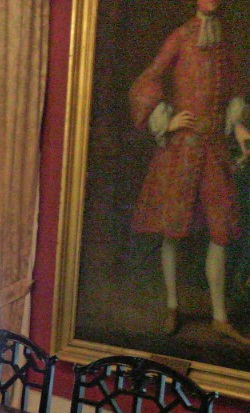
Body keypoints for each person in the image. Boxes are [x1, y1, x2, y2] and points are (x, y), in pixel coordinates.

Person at [129, 0, 250, 342]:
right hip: (180, 148)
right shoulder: (180, 37)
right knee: (172, 228)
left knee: (220, 229)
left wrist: (238, 127)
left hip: (213, 148)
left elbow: (234, 93)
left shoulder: (225, 44)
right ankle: (172, 306)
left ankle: (220, 317)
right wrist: (166, 121)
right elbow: (148, 80)